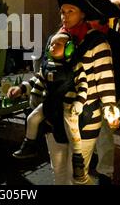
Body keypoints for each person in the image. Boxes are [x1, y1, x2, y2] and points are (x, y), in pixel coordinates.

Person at [12, 0, 119, 185]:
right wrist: (24, 88)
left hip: (85, 116)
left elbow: (105, 77)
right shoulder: (55, 39)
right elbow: (45, 72)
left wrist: (110, 105)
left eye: (71, 11)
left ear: (83, 14)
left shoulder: (97, 42)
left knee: (78, 174)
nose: (65, 16)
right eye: (62, 12)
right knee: (59, 171)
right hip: (54, 115)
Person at [9, 31, 89, 182]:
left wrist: (79, 101)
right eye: (51, 44)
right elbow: (37, 81)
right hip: (50, 108)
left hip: (68, 108)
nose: (52, 47)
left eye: (58, 44)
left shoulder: (75, 66)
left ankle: (78, 162)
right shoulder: (46, 65)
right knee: (32, 119)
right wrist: (22, 88)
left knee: (73, 136)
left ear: (69, 48)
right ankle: (29, 144)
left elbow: (83, 85)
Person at [85, 0, 120, 185]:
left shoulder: (116, 40)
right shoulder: (82, 38)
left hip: (110, 98)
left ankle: (106, 174)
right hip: (87, 97)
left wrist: (113, 94)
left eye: (91, 19)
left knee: (105, 135)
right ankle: (95, 160)